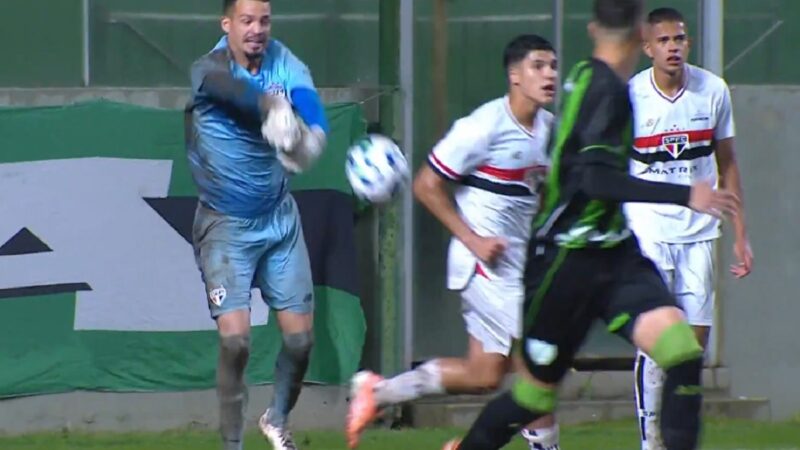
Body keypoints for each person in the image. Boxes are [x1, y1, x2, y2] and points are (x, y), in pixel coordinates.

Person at [439, 0, 740, 449]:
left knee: (681, 352)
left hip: (614, 254)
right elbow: (595, 179)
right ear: (641, 31)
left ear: (593, 28)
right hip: (565, 264)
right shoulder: (607, 91)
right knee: (531, 395)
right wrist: (685, 194)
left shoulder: (586, 76)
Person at [345, 34, 561, 450]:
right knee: (539, 367)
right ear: (514, 76)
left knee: (485, 373)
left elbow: (540, 191)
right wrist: (475, 240)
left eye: (553, 65)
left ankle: (380, 392)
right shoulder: (482, 127)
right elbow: (427, 185)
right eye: (538, 66)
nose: (549, 74)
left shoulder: (549, 130)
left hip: (515, 262)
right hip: (484, 264)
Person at [185, 0, 329, 449]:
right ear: (226, 23)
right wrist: (270, 106)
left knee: (301, 341)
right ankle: (232, 445)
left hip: (279, 221)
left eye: (264, 20)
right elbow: (232, 90)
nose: (257, 29)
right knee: (235, 344)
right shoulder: (208, 69)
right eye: (246, 21)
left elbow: (310, 105)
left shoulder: (285, 62)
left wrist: (311, 141)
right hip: (225, 225)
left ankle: (277, 418)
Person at [626, 7, 753, 450]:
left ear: (689, 44)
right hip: (648, 226)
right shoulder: (630, 96)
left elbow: (727, 162)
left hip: (700, 229)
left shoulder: (712, 90)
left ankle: (676, 434)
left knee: (694, 340)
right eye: (663, 41)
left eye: (679, 39)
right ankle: (651, 440)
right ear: (648, 48)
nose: (673, 47)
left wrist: (740, 233)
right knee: (658, 333)